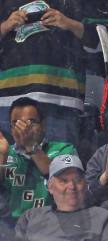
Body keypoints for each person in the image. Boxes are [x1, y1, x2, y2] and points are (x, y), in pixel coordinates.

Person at [0, 1, 100, 144]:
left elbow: (104, 39)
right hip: (8, 103)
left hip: (62, 102)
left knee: (58, 164)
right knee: (11, 165)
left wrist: (69, 23)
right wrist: (4, 26)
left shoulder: (76, 3)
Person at [0, 98, 76, 226]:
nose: (23, 128)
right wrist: (2, 157)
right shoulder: (6, 152)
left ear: (44, 124)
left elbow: (64, 180)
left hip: (51, 226)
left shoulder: (63, 149)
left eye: (31, 122)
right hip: (9, 228)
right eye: (16, 123)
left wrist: (31, 146)